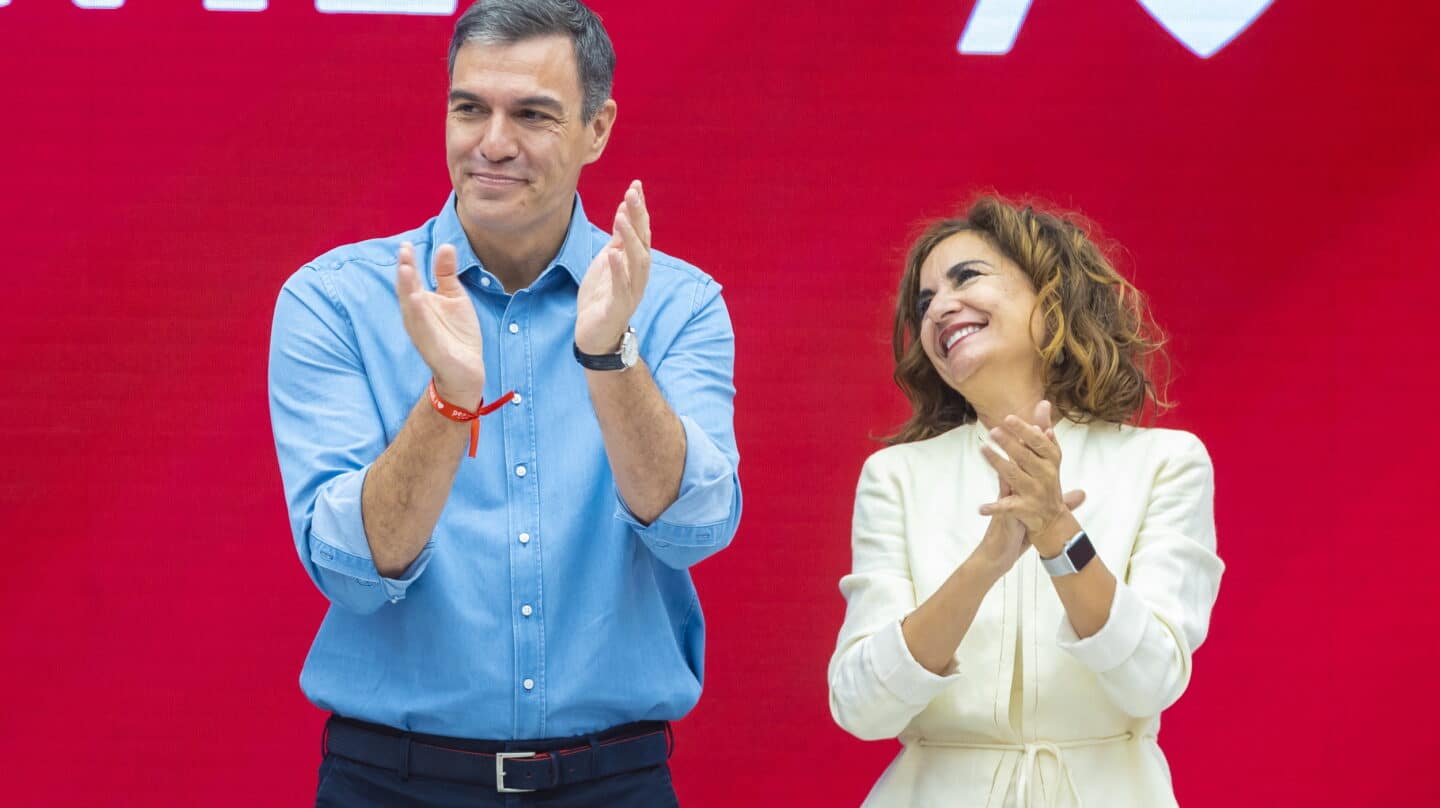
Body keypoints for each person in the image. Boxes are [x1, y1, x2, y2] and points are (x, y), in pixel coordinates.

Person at [267, 1, 741, 804]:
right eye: (469, 109)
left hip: (612, 782)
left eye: (531, 114)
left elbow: (694, 527)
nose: (492, 143)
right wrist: (450, 400)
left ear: (598, 129)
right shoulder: (335, 299)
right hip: (394, 782)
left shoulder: (677, 304)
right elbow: (349, 568)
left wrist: (609, 354)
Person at [827, 197, 1222, 807]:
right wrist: (986, 561)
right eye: (924, 302)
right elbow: (861, 707)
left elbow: (1152, 681)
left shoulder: (1166, 463)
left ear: (1050, 294)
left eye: (967, 278)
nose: (939, 309)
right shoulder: (895, 477)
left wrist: (1058, 533)